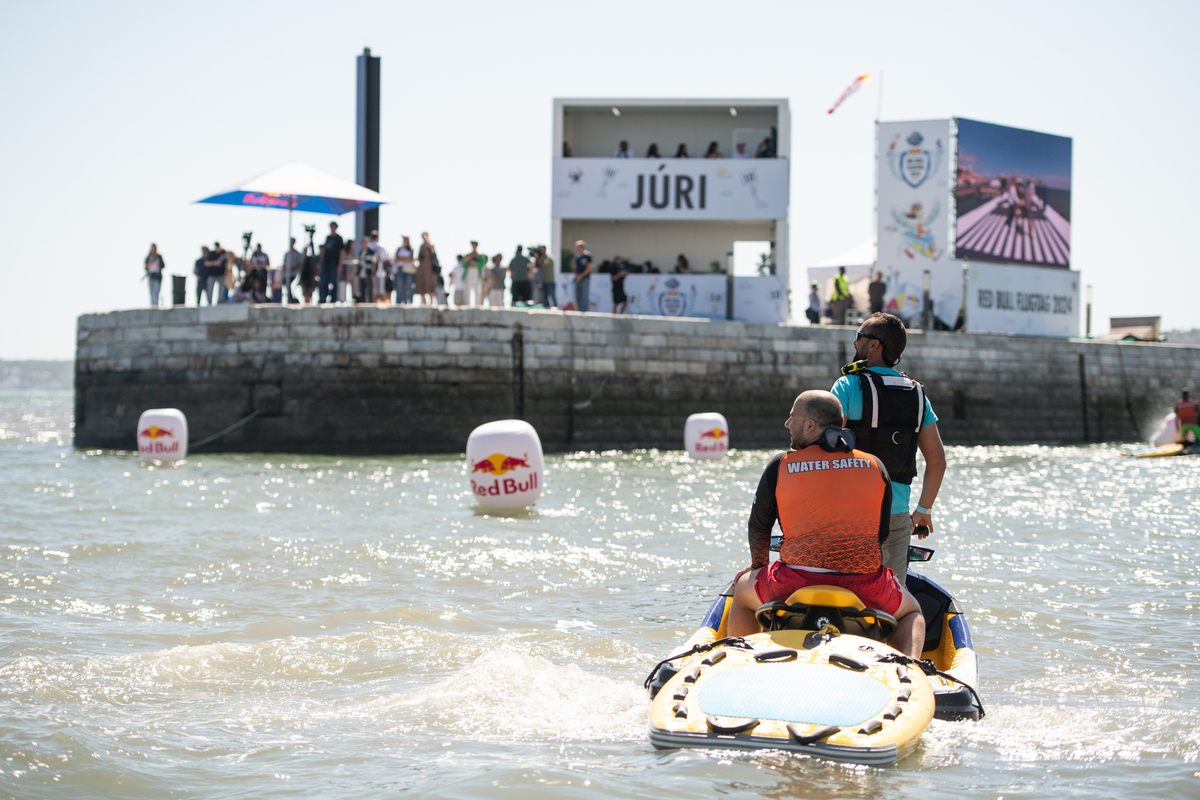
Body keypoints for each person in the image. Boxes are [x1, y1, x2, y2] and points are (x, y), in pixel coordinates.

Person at [726, 390, 926, 659]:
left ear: (810, 425)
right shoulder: (875, 465)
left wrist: (758, 566)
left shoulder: (780, 465)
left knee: (742, 591)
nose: (787, 423)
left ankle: (740, 661)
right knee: (912, 613)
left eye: (792, 417)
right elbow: (880, 535)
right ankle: (907, 668)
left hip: (793, 582)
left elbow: (759, 528)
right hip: (865, 585)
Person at [832, 313, 946, 584]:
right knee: (891, 595)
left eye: (859, 337)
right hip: (896, 514)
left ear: (874, 345)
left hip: (850, 514)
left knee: (844, 592)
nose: (855, 342)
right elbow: (938, 460)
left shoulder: (848, 385)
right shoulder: (918, 394)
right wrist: (923, 510)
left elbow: (826, 445)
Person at [318, 222, 344, 303]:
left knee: (333, 282)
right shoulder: (328, 237)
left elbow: (342, 252)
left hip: (334, 264)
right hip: (326, 263)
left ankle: (333, 300)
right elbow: (324, 250)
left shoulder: (339, 238)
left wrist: (340, 265)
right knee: (324, 282)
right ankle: (323, 299)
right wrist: (321, 261)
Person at [415, 232, 438, 306]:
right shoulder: (421, 246)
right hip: (422, 268)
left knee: (430, 285)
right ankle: (423, 302)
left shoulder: (431, 244)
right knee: (422, 284)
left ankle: (431, 302)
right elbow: (419, 257)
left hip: (430, 269)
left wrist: (426, 240)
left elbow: (433, 251)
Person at [464, 242, 487, 307]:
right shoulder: (468, 254)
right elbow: (464, 264)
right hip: (469, 271)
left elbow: (482, 264)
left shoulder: (480, 255)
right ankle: (467, 304)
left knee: (477, 287)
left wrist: (475, 263)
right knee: (468, 287)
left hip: (476, 271)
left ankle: (477, 304)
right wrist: (467, 260)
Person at [394, 235, 416, 304]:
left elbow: (410, 258)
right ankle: (399, 302)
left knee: (408, 286)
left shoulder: (411, 249)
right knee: (400, 286)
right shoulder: (399, 249)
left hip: (408, 270)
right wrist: (405, 259)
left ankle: (409, 302)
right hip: (400, 269)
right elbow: (396, 258)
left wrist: (402, 259)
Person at [573, 240, 593, 312]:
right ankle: (579, 311)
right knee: (578, 296)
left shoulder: (588, 256)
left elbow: (589, 268)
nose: (578, 248)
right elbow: (575, 267)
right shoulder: (577, 257)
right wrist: (576, 276)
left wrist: (581, 276)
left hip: (585, 278)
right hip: (578, 279)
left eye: (579, 247)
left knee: (584, 296)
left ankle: (585, 311)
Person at [283, 238, 304, 304]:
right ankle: (290, 297)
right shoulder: (287, 254)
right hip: (287, 274)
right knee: (285, 282)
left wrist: (292, 269)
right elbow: (284, 264)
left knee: (289, 282)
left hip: (294, 274)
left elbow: (300, 264)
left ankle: (290, 298)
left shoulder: (297, 253)